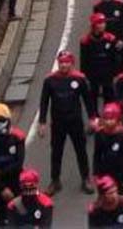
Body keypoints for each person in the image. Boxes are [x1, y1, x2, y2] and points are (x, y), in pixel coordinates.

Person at [39, 50, 97, 196]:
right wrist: (42, 122)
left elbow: (88, 100)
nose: (64, 65)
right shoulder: (50, 80)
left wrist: (92, 118)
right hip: (58, 122)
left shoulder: (80, 79)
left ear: (72, 63)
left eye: (67, 62)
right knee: (56, 152)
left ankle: (85, 178)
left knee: (81, 150)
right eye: (61, 62)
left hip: (75, 121)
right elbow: (44, 101)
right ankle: (55, 180)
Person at [0, 102, 26, 227]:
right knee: (2, 223)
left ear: (8, 120)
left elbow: (18, 164)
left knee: (22, 217)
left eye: (1, 120)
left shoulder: (18, 138)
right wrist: (3, 188)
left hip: (17, 185)